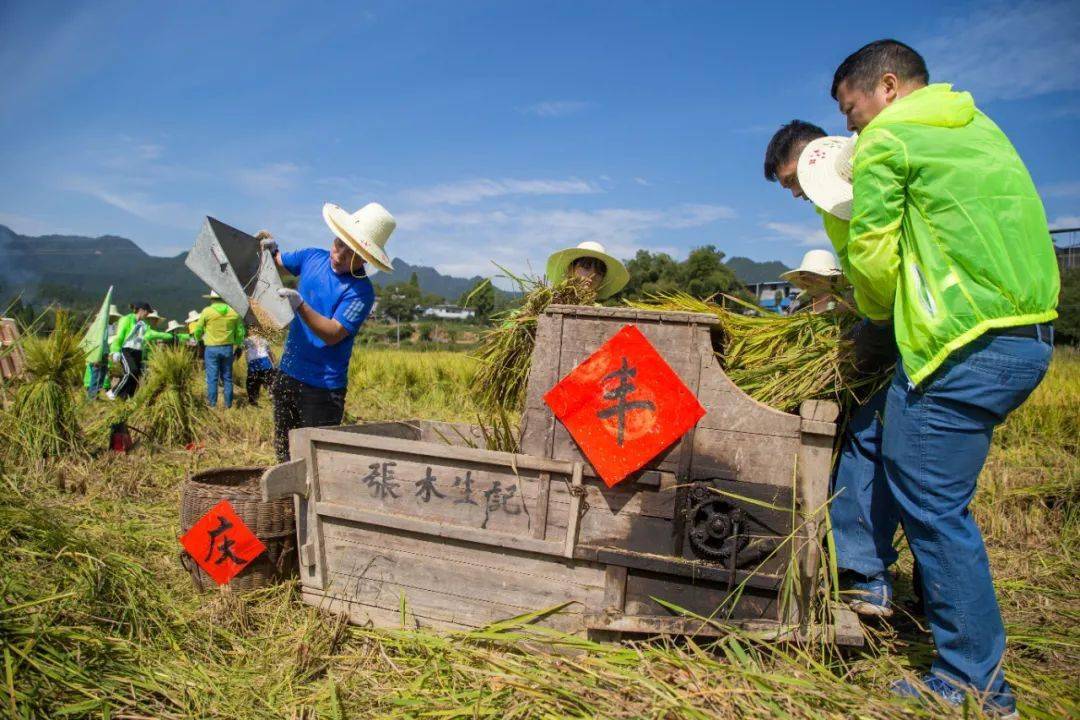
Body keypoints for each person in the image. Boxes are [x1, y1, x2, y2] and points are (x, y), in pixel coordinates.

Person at [827, 39, 1058, 715]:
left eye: (852, 108)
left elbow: (872, 256)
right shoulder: (981, 127)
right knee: (923, 485)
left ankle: (973, 685)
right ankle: (938, 627)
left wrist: (871, 319)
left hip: (957, 344)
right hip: (1028, 338)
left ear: (889, 87)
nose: (851, 127)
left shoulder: (888, 140)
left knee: (932, 508)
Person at [766, 121, 903, 620]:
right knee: (897, 462)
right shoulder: (836, 211)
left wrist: (858, 344)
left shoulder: (867, 192)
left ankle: (865, 573)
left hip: (907, 342)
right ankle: (884, 574)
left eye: (791, 181)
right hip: (888, 340)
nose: (796, 194)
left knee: (878, 453)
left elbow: (882, 285)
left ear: (814, 159)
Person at [259, 201, 395, 461]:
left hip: (322, 389)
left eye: (351, 252)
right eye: (339, 243)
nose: (339, 254)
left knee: (315, 462)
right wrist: (271, 249)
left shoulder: (361, 292)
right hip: (288, 374)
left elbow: (333, 333)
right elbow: (279, 262)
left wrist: (300, 305)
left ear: (366, 258)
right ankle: (288, 502)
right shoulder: (311, 257)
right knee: (285, 455)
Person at [193, 291, 245, 408]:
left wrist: (198, 339)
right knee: (227, 377)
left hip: (211, 348)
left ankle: (212, 404)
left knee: (212, 378)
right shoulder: (234, 312)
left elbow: (198, 330)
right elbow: (241, 333)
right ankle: (228, 405)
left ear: (212, 299)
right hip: (228, 348)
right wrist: (236, 344)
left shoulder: (207, 311)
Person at [545, 240, 630, 300]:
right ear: (570, 269)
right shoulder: (552, 302)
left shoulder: (602, 313)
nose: (593, 274)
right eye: (586, 267)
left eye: (599, 272)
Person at [110, 302, 156, 399]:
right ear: (141, 310)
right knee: (131, 371)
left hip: (138, 352)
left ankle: (127, 398)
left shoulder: (144, 324)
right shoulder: (126, 319)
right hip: (126, 350)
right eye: (147, 312)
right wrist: (115, 350)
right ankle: (114, 392)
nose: (148, 314)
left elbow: (153, 334)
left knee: (136, 376)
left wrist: (175, 337)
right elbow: (120, 336)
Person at [780, 249, 844, 314]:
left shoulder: (844, 308)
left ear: (829, 278)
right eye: (802, 275)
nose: (805, 280)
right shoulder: (799, 308)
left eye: (812, 274)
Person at [243, 330, 276, 406]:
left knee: (251, 385)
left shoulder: (246, 341)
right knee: (270, 381)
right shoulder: (263, 339)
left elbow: (240, 350)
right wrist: (273, 364)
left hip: (254, 366)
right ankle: (272, 395)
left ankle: (253, 401)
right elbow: (269, 352)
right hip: (266, 364)